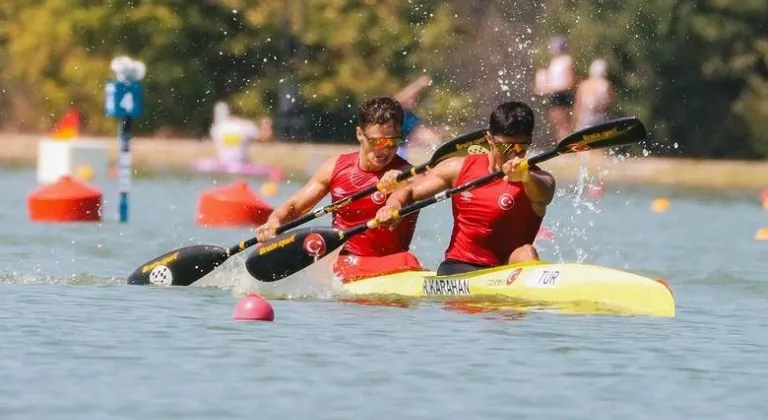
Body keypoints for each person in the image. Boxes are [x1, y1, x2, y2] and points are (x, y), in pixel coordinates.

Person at [254, 96, 425, 281]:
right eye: (378, 142)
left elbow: (407, 191)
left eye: (392, 142)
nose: (384, 150)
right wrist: (274, 221)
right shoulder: (335, 167)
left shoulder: (406, 173)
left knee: (409, 261)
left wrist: (391, 207)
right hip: (347, 266)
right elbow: (296, 206)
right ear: (360, 134)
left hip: (395, 265)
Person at [375, 101, 556, 276]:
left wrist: (525, 177)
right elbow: (409, 191)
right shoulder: (459, 168)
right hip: (460, 267)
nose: (513, 153)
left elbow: (545, 194)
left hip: (507, 271)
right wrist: (391, 206)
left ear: (530, 142)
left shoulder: (538, 179)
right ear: (489, 139)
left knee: (526, 252)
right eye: (505, 146)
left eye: (520, 147)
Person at [535, 36, 575, 143]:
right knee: (555, 120)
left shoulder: (566, 61)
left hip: (562, 93)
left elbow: (569, 81)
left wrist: (551, 89)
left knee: (562, 121)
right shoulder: (555, 62)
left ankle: (566, 142)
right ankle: (562, 141)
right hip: (555, 93)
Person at [209, 101, 274, 167]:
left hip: (223, 164)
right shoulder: (246, 126)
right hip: (241, 164)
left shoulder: (218, 127)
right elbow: (265, 137)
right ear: (240, 113)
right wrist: (266, 125)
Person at [393, 75, 443, 158]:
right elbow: (400, 98)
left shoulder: (414, 118)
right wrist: (419, 84)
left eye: (414, 99)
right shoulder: (396, 110)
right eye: (410, 98)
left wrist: (437, 134)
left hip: (402, 150)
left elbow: (422, 133)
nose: (412, 101)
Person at [572, 58, 614, 130]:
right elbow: (610, 103)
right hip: (601, 118)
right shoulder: (605, 84)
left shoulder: (584, 85)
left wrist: (575, 123)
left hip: (586, 118)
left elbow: (578, 106)